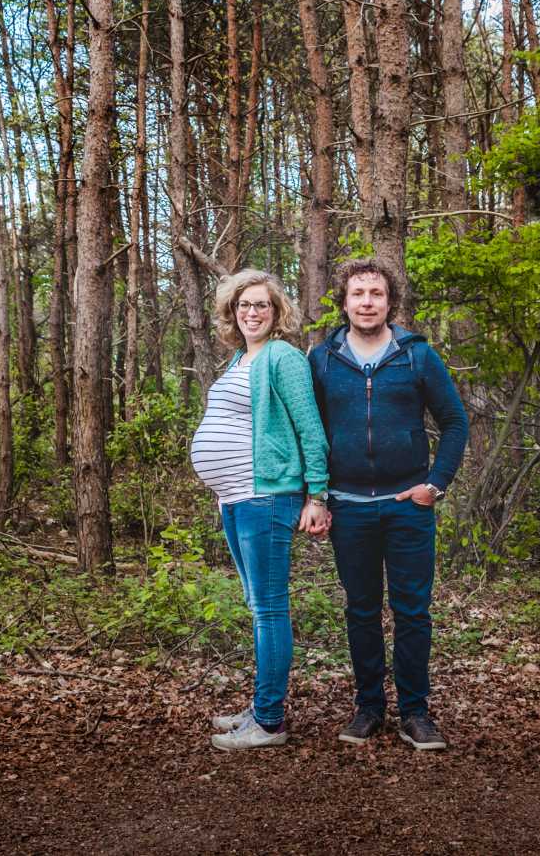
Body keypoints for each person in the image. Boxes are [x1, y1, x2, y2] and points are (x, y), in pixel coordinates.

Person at [309, 259, 468, 751]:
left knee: (413, 612)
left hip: (408, 506)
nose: (367, 302)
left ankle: (416, 713)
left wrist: (435, 486)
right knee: (360, 609)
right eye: (358, 293)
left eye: (376, 293)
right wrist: (313, 496)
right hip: (349, 508)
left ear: (389, 302)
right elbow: (306, 431)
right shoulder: (321, 359)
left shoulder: (417, 355)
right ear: (344, 301)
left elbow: (456, 423)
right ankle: (369, 707)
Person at [189, 267, 331, 751]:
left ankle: (269, 721)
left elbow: (311, 429)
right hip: (234, 498)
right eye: (244, 305)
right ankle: (259, 705)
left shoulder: (282, 357)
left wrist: (317, 496)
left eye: (262, 305)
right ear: (232, 312)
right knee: (258, 607)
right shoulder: (238, 360)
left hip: (266, 496)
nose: (252, 312)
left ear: (277, 313)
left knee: (270, 610)